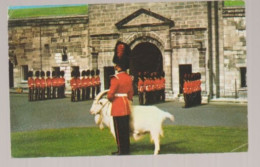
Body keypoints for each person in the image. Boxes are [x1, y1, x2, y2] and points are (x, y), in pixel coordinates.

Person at [107, 41, 133, 155]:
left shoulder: (115, 78)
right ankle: (126, 149)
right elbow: (131, 93)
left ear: (118, 66)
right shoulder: (128, 78)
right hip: (126, 106)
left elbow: (110, 95)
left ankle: (121, 150)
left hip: (117, 106)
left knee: (118, 130)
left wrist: (110, 99)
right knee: (125, 130)